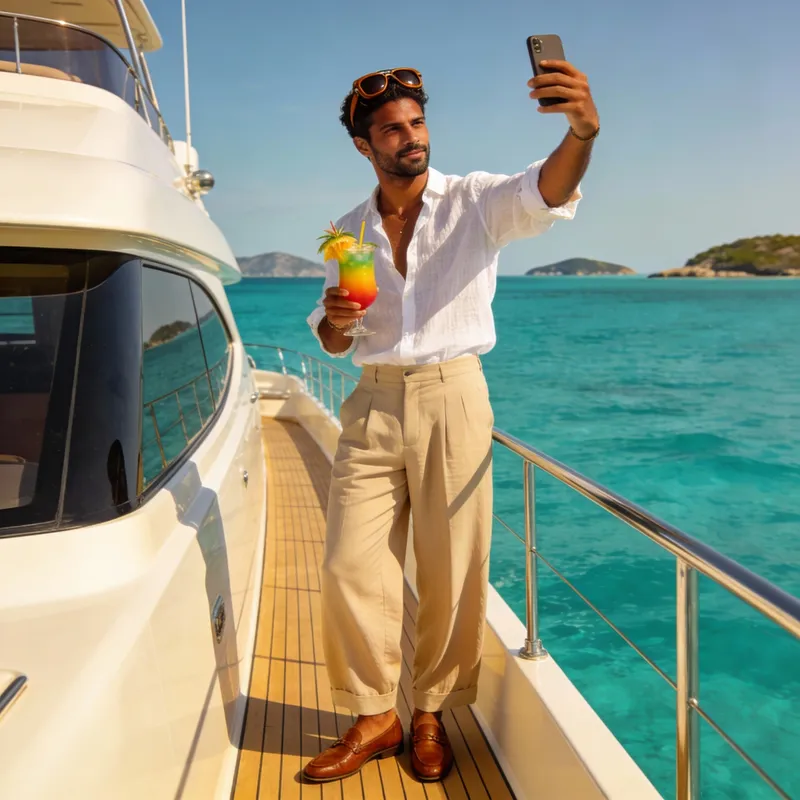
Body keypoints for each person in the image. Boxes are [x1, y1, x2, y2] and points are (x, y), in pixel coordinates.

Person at [303, 61, 599, 784]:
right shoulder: (348, 229)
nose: (411, 138)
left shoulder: (474, 201)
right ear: (363, 145)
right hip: (371, 400)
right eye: (392, 129)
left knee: (450, 567)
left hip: (452, 394)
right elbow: (333, 333)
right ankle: (376, 713)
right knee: (349, 560)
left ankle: (430, 710)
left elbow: (548, 189)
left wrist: (582, 131)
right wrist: (337, 322)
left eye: (417, 123)